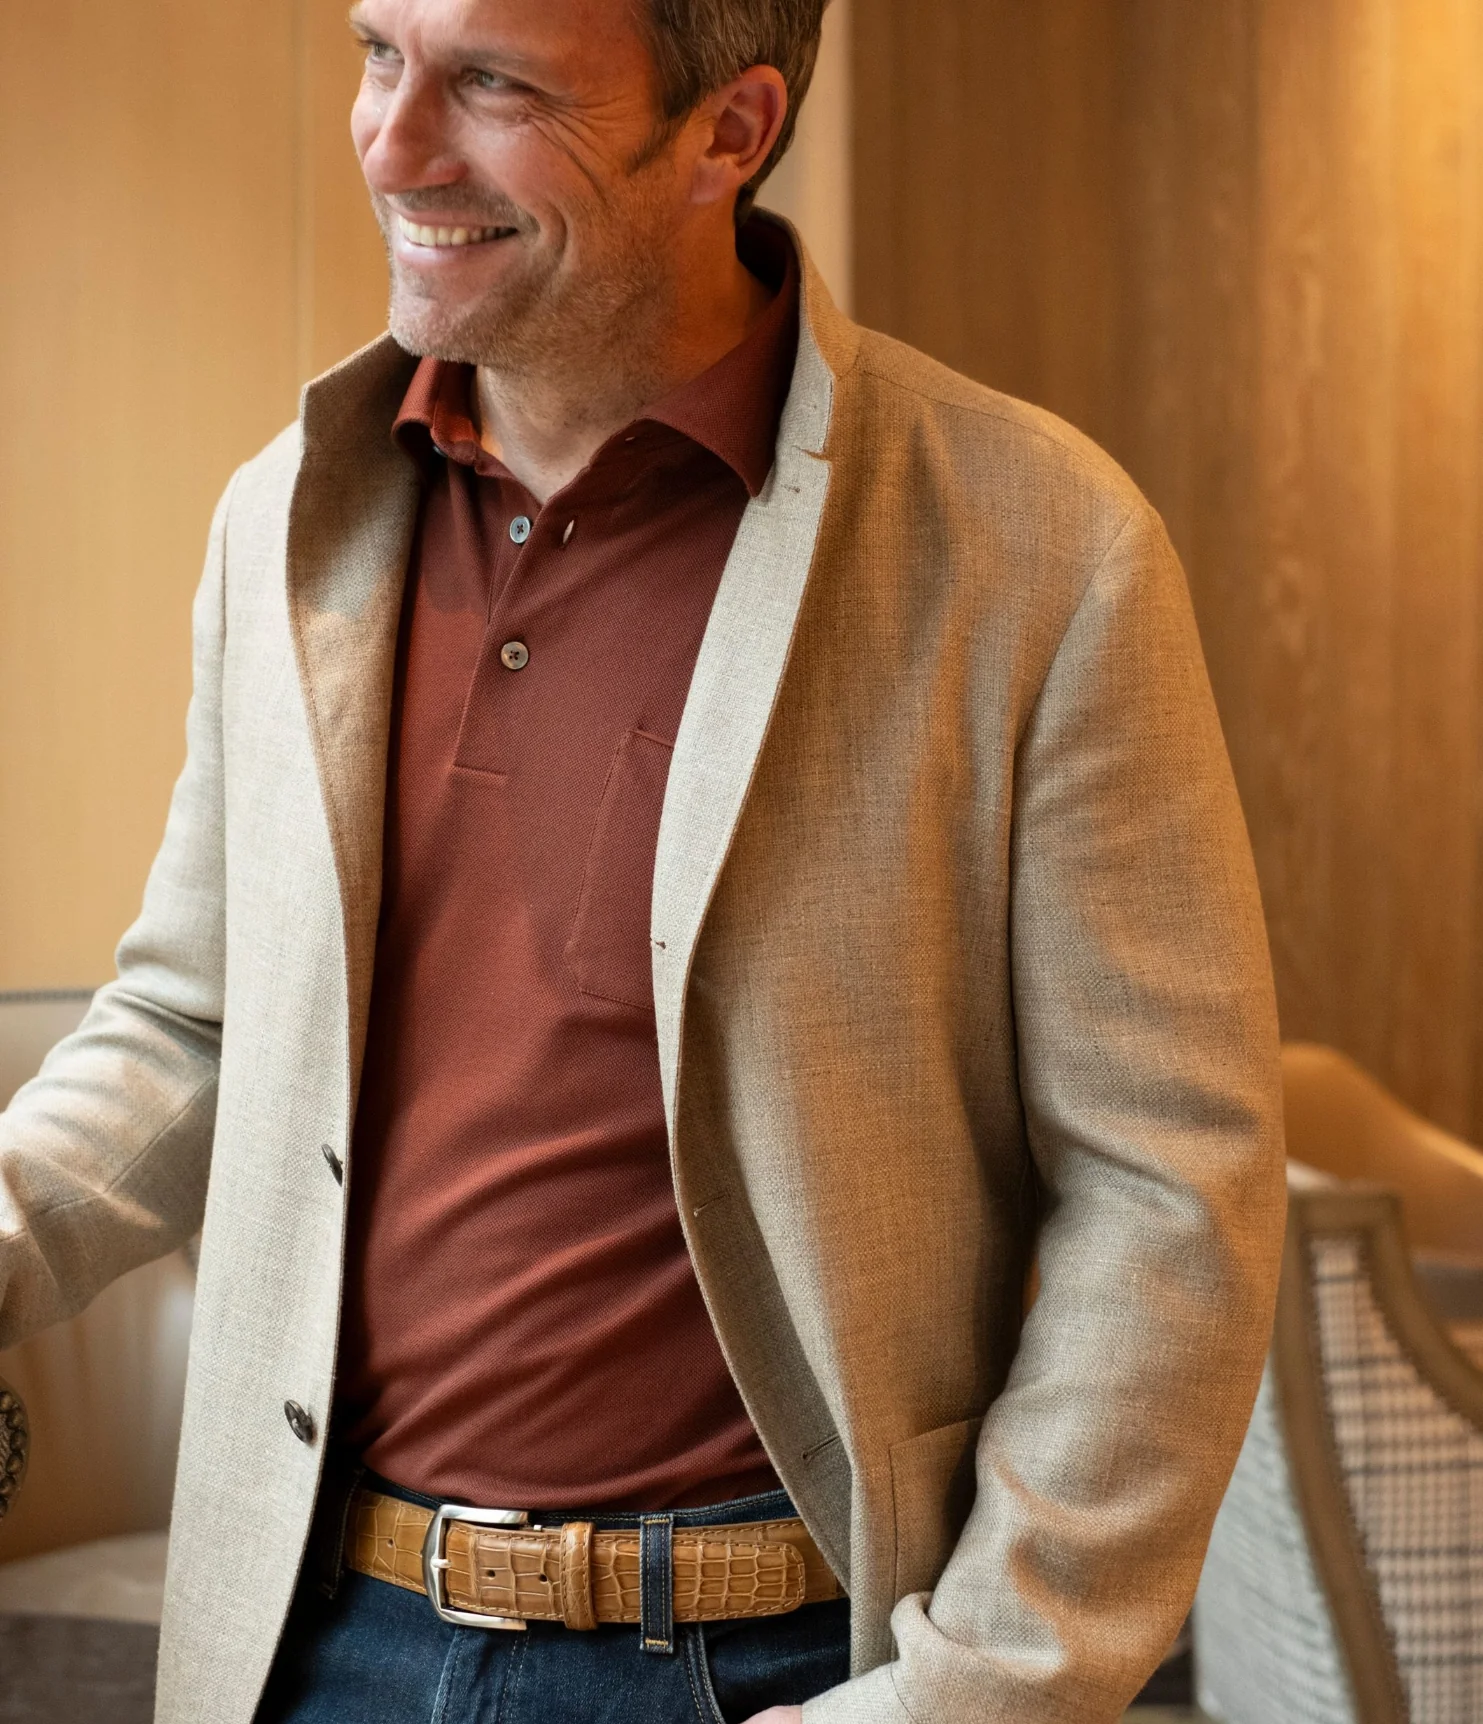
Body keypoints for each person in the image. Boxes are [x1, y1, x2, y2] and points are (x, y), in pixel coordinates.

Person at [0, 0, 1287, 1719]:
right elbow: (193, 1023)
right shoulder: (284, 515)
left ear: (729, 130)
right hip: (311, 1645)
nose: (392, 141)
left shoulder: (1038, 547)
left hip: (769, 1664)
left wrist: (992, 1682)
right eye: (380, 50)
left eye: (494, 84)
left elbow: (1165, 1191)